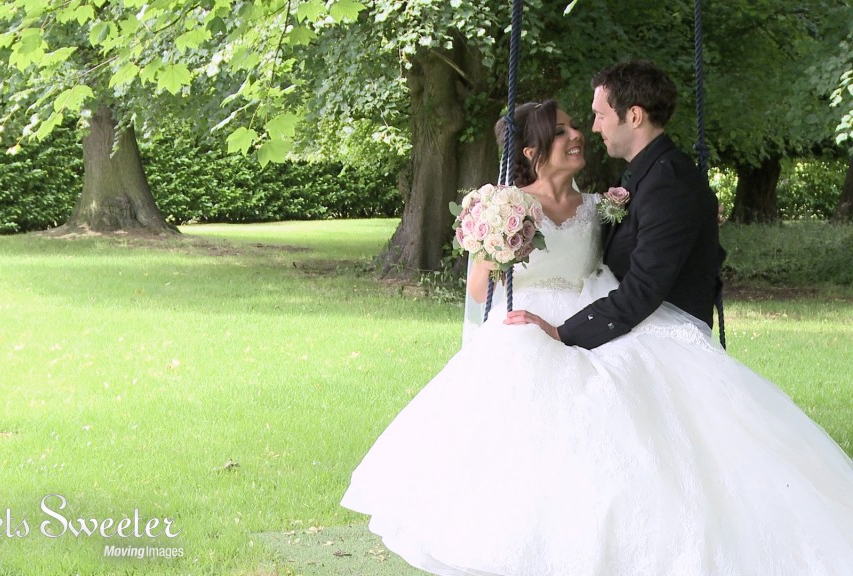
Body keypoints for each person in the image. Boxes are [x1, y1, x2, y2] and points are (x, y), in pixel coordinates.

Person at [341, 94, 853, 574]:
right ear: (533, 150)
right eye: (562, 130)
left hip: (594, 310)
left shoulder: (598, 206)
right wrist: (495, 238)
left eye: (576, 124)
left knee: (651, 393)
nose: (578, 134)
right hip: (532, 319)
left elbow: (642, 242)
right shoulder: (505, 204)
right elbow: (479, 293)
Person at [507, 60, 720, 348]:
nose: (593, 128)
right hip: (633, 323)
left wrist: (563, 334)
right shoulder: (643, 174)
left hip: (664, 335)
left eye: (600, 115)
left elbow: (644, 287)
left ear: (634, 116)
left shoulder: (668, 183)